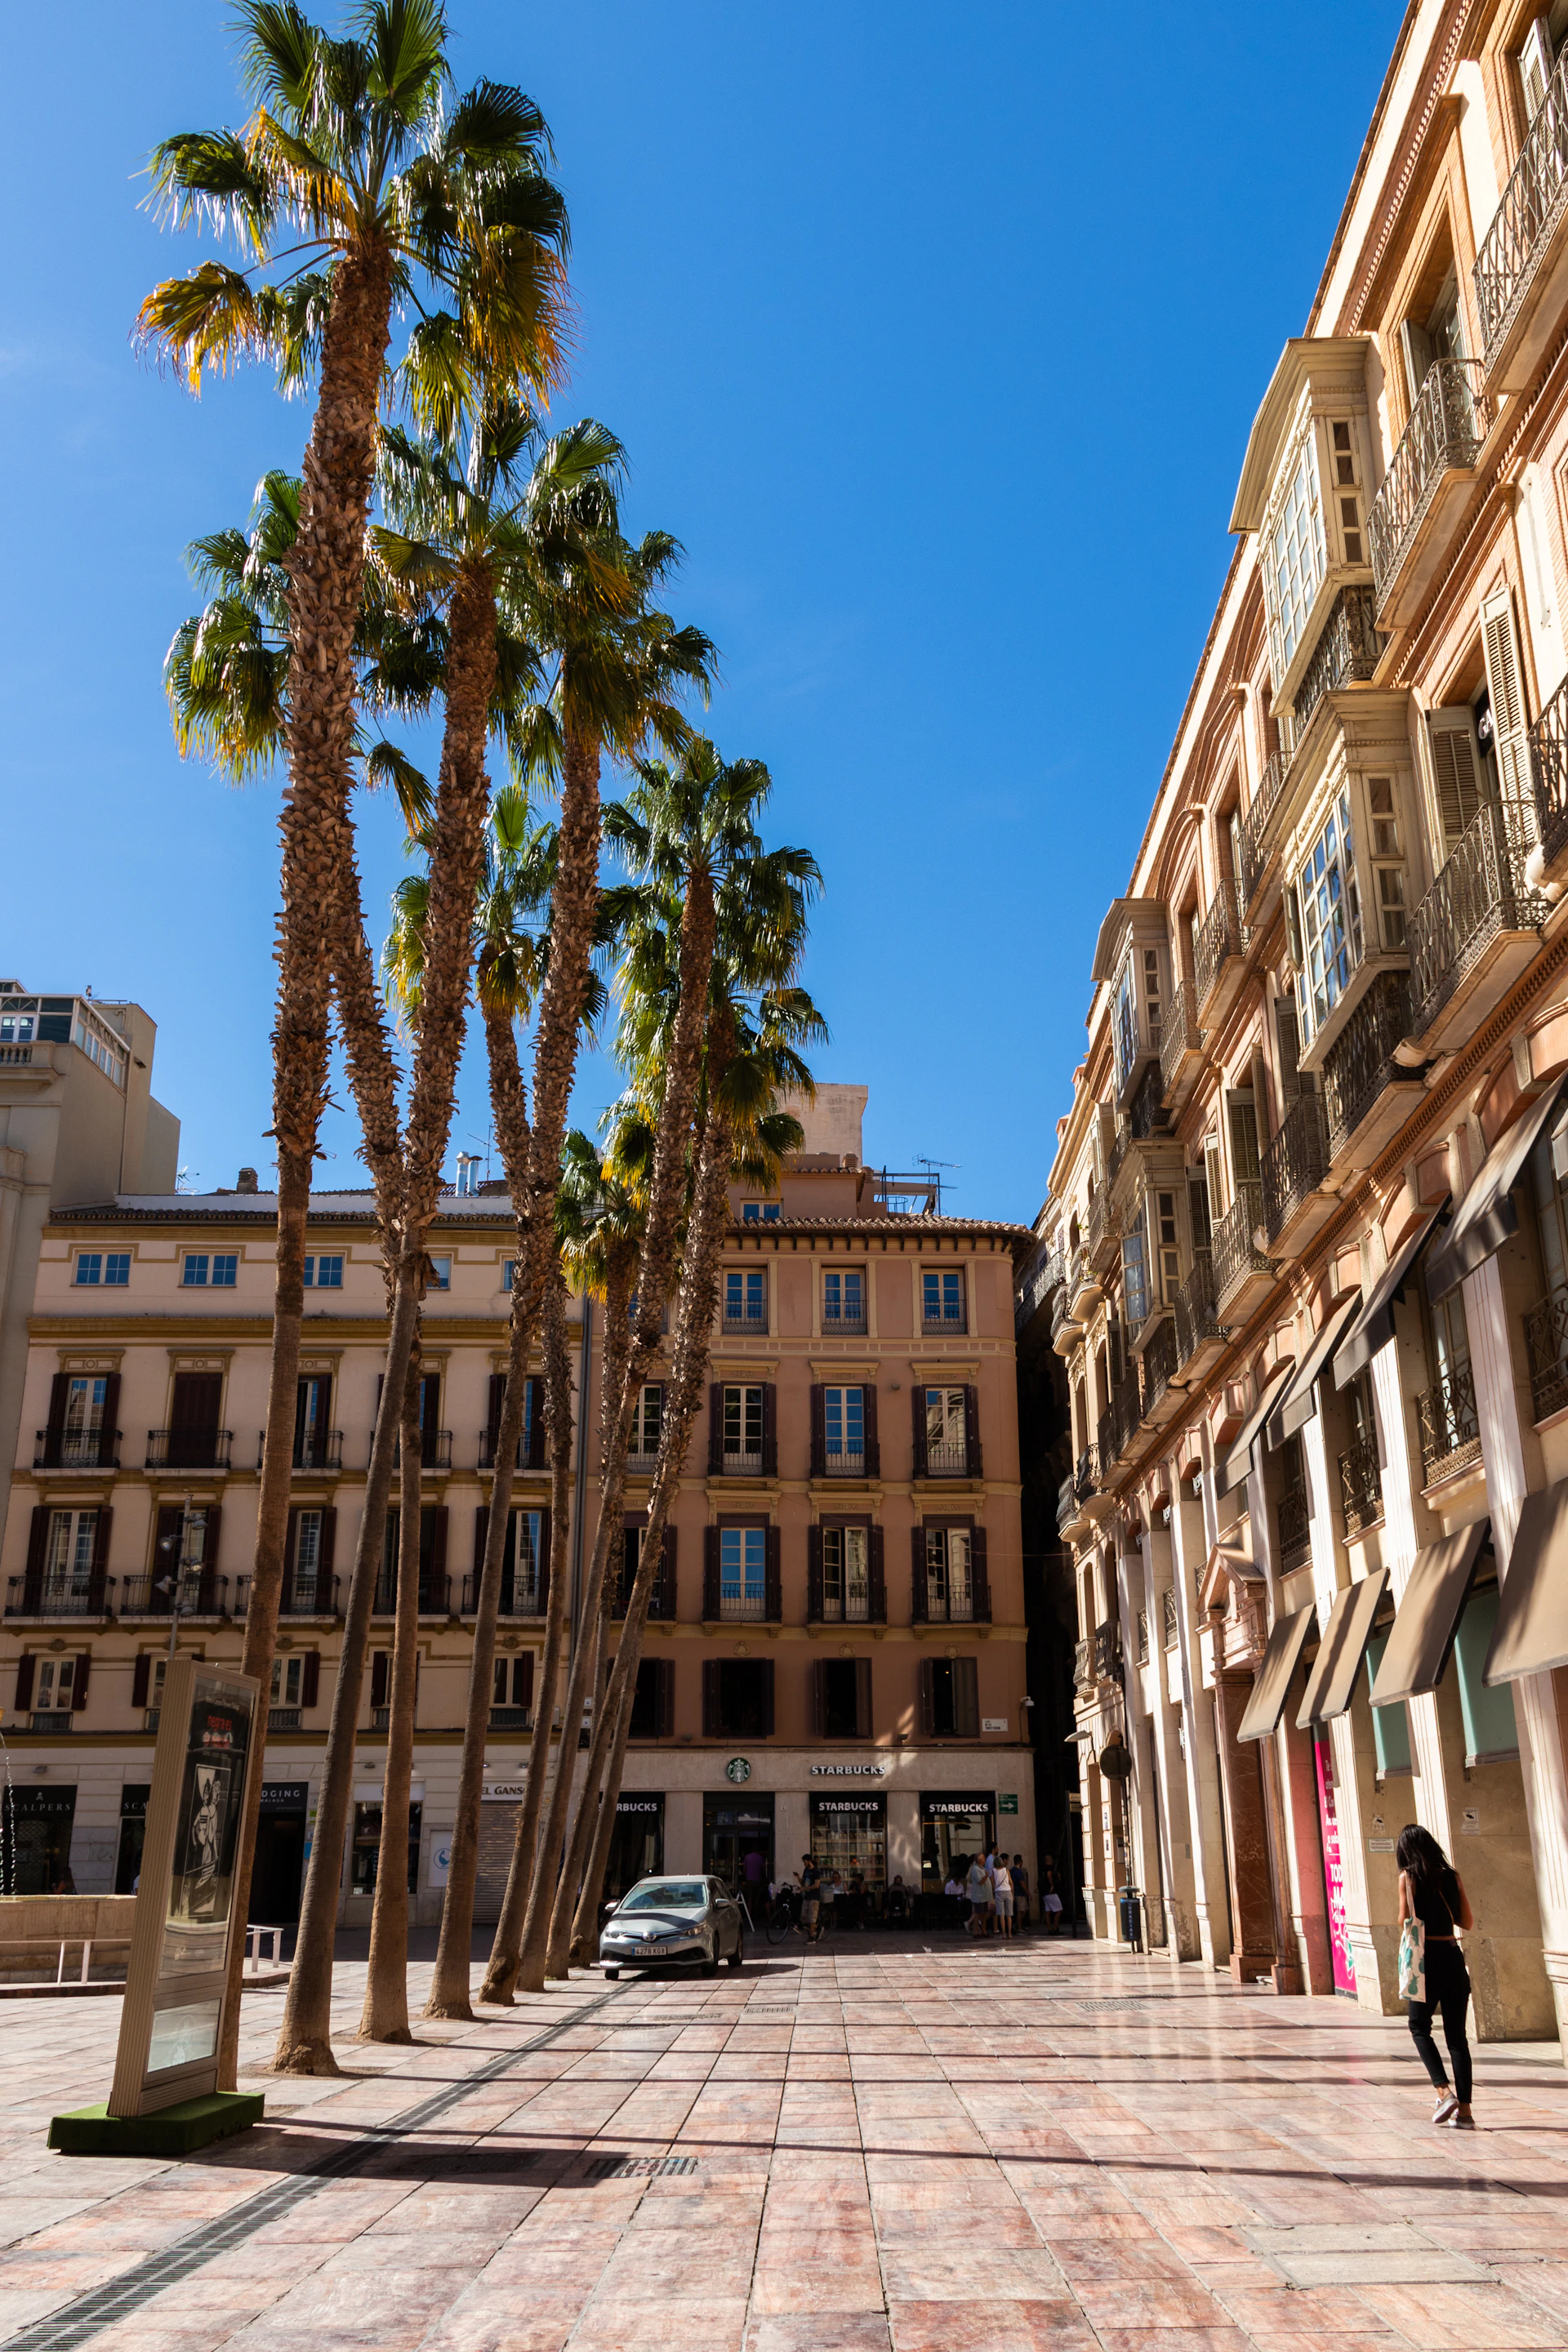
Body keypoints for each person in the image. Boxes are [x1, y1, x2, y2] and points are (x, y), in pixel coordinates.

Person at [1398, 1823, 1476, 2127]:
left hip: (1425, 1962)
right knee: (1458, 2038)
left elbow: (1403, 1920)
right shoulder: (1452, 1877)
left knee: (1419, 2027)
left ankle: (1444, 2092)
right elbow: (1466, 1922)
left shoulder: (1408, 1878)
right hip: (1453, 1957)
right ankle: (1466, 2113)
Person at [965, 1851, 992, 1939]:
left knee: (984, 1914)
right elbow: (980, 1881)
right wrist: (986, 1876)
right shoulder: (975, 1869)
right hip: (979, 1896)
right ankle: (976, 1931)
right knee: (978, 1914)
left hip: (984, 1896)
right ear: (980, 1860)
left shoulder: (982, 1868)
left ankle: (983, 1930)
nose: (985, 1859)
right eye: (983, 1858)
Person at [799, 1853, 823, 1941]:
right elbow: (804, 1881)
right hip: (807, 1895)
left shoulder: (816, 1871)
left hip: (814, 1896)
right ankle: (818, 1928)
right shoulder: (806, 1870)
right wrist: (798, 1878)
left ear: (809, 1861)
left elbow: (817, 1885)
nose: (804, 1864)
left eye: (805, 1862)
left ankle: (812, 1937)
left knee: (812, 1917)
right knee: (804, 1916)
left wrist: (805, 1888)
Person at [991, 1851, 1014, 1939]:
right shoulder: (1006, 1870)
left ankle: (1004, 1934)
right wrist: (1013, 1894)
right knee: (1009, 1915)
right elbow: (1011, 1883)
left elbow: (993, 1883)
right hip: (1008, 1892)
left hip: (999, 1893)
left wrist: (995, 1890)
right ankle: (1010, 1934)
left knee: (1001, 1915)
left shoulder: (993, 1871)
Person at [1040, 1853, 1063, 1935]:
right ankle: (1055, 1928)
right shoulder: (1050, 1868)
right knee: (1059, 1910)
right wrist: (1052, 1885)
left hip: (1044, 1893)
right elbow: (1049, 1875)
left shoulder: (1042, 1868)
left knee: (1048, 1911)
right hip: (1051, 1892)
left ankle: (1050, 1929)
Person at [1011, 1855, 1031, 1933]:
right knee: (1020, 1910)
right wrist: (1027, 1891)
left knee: (1025, 1909)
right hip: (1019, 1893)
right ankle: (1019, 1928)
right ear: (1020, 1862)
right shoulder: (1018, 1871)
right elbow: (1022, 1883)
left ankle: (1017, 1924)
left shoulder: (1012, 1870)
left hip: (1018, 1893)